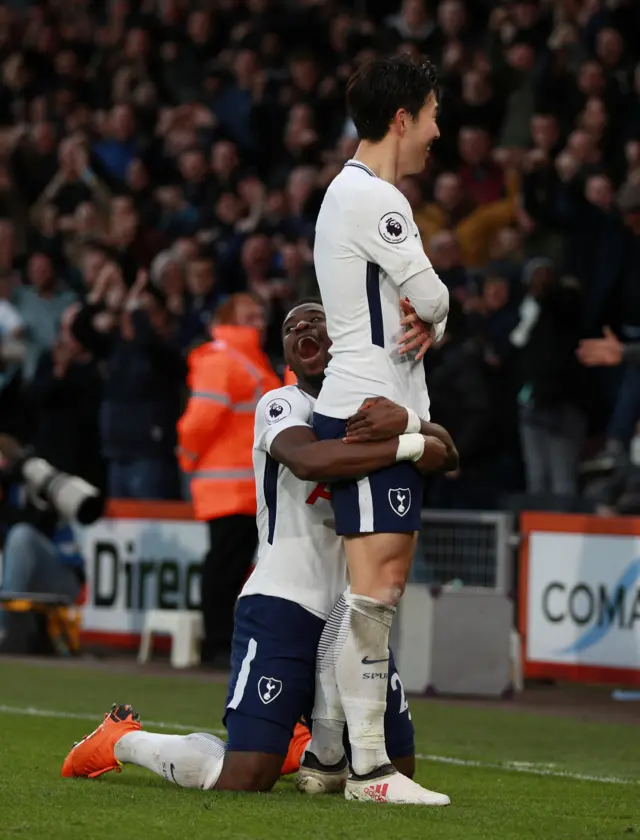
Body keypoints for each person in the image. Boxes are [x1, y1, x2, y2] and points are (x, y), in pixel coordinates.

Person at [61, 301, 456, 797]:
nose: (303, 328)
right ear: (288, 352)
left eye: (317, 319)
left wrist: (412, 427)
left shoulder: (372, 406)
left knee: (396, 765)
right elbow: (310, 460)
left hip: (352, 612)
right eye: (291, 326)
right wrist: (409, 445)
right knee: (245, 778)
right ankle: (122, 741)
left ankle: (304, 736)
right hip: (282, 603)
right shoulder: (282, 403)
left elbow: (451, 453)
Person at [310, 54, 450, 803]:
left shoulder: (350, 193)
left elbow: (425, 311)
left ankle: (330, 756)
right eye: (431, 113)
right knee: (378, 588)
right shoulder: (375, 200)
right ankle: (370, 771)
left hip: (365, 402)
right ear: (402, 118)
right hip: (374, 407)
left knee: (368, 591)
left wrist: (435, 315)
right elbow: (429, 296)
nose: (437, 129)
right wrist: (441, 307)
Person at [177, 293, 281, 666]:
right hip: (228, 485)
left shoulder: (252, 360)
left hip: (246, 487)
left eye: (261, 313)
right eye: (250, 314)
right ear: (229, 318)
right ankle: (215, 643)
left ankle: (220, 641)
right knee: (224, 567)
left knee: (233, 567)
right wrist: (187, 458)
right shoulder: (223, 358)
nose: (259, 320)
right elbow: (201, 418)